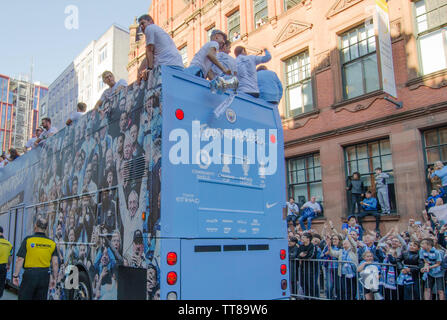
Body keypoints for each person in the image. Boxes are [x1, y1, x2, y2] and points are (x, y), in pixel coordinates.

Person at [13, 217, 59, 300]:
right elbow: (55, 263)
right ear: (46, 228)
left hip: (30, 275)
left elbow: (19, 259)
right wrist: (54, 278)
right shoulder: (52, 243)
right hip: (44, 276)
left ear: (35, 226)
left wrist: (15, 276)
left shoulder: (28, 240)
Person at [137, 14, 184, 83]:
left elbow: (149, 50)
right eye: (140, 26)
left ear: (150, 21)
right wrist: (140, 71)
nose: (141, 27)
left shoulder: (149, 28)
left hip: (165, 66)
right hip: (178, 66)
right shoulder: (159, 31)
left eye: (142, 23)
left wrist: (149, 69)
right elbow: (147, 57)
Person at [0, 226, 12, 298]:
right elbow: (10, 256)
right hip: (3, 267)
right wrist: (8, 265)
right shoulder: (8, 244)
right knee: (1, 284)